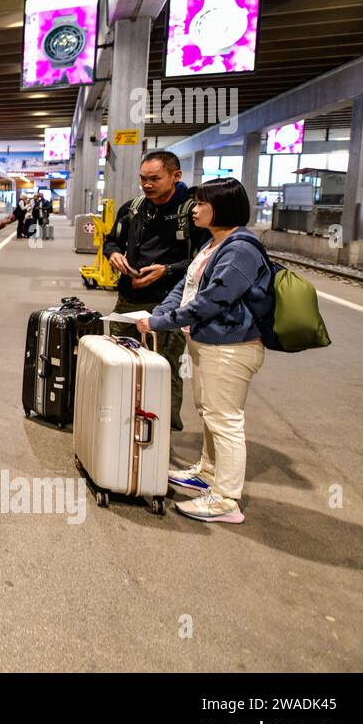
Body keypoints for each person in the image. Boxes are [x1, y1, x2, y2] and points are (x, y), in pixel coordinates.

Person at [137, 178, 271, 524]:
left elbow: (212, 300)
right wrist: (159, 315)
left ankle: (226, 499)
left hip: (231, 347)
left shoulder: (241, 248)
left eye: (201, 204)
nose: (193, 209)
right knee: (208, 411)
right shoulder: (215, 243)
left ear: (222, 207)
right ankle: (208, 473)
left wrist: (162, 323)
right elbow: (186, 287)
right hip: (209, 343)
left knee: (225, 420)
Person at [103, 150, 211, 431]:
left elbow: (204, 261)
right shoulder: (133, 208)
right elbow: (111, 241)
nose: (147, 184)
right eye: (143, 178)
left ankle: (164, 430)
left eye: (154, 178)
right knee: (118, 359)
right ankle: (119, 422)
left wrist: (167, 270)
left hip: (169, 305)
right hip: (128, 299)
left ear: (176, 176)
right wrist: (113, 254)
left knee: (164, 367)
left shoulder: (192, 214)